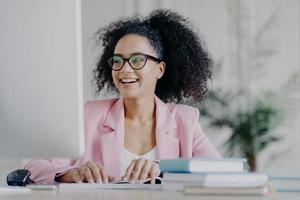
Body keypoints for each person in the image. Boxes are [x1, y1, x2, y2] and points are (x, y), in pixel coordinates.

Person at [25, 9, 220, 184]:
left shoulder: (184, 119)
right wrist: (71, 174)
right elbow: (33, 167)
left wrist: (163, 167)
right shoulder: (90, 115)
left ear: (160, 69)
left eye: (137, 60)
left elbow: (218, 169)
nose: (124, 69)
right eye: (118, 61)